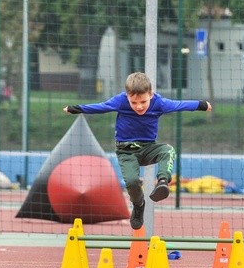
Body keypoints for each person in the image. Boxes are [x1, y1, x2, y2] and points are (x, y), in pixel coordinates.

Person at [63, 72, 212, 230]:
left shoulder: (159, 103)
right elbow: (101, 107)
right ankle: (139, 205)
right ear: (127, 96)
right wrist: (75, 109)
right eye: (134, 102)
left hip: (148, 148)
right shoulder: (120, 101)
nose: (139, 106)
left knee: (168, 150)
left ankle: (162, 182)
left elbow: (180, 105)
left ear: (151, 94)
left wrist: (201, 105)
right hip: (126, 151)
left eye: (143, 101)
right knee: (132, 181)